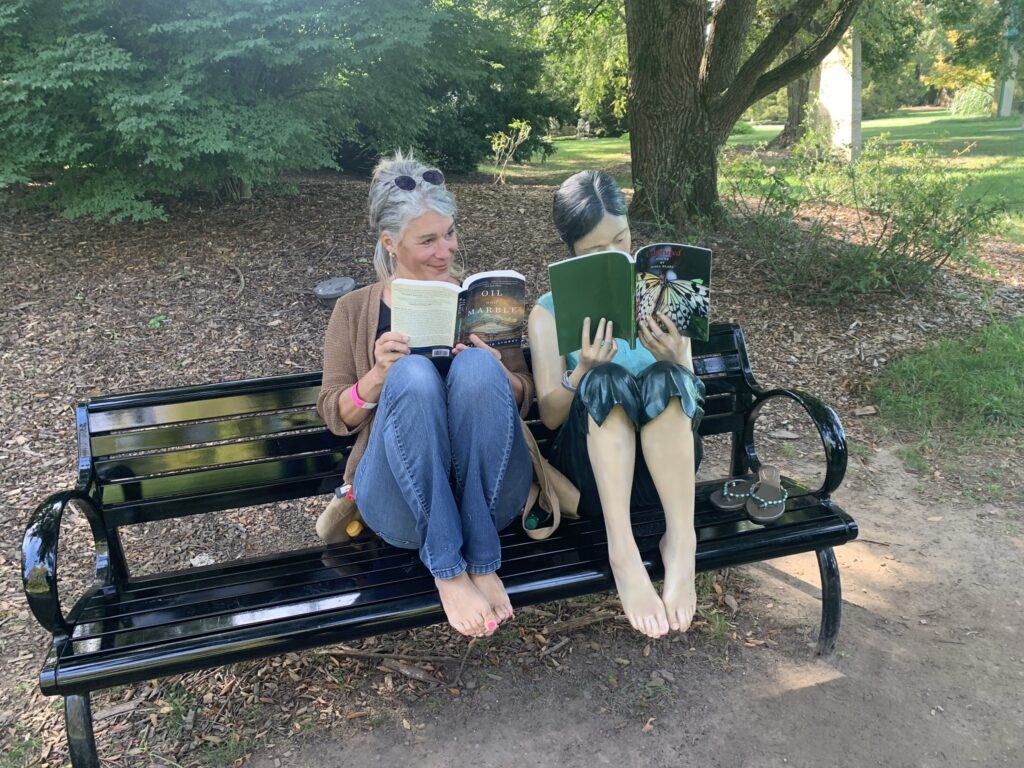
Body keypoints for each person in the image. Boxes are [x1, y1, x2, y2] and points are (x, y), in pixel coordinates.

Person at [317, 151, 535, 639]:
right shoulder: (354, 311)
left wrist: (500, 372)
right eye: (428, 240)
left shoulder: (482, 302)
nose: (445, 251)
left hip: (490, 488)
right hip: (400, 502)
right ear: (390, 242)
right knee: (412, 374)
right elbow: (335, 415)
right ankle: (451, 570)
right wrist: (376, 377)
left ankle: (479, 554)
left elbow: (525, 394)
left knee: (479, 366)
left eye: (450, 233)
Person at [527, 170, 705, 639]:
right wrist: (581, 370)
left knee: (667, 376)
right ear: (572, 252)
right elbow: (549, 416)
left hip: (668, 472)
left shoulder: (660, 293)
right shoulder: (546, 314)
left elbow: (686, 391)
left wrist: (677, 355)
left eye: (621, 241)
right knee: (606, 379)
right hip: (595, 474)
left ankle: (681, 542)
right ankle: (622, 552)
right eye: (595, 252)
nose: (614, 257)